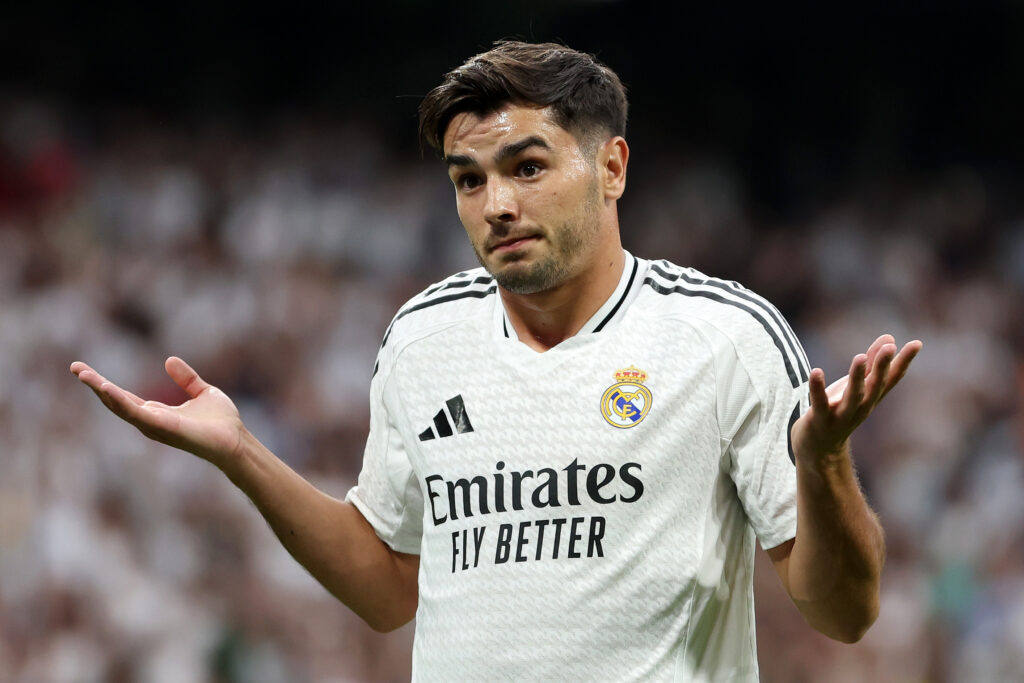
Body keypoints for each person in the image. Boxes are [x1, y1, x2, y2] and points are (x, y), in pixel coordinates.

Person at [71, 41, 922, 681]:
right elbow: (386, 587)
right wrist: (242, 455)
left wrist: (825, 461)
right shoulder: (421, 337)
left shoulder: (721, 334)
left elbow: (844, 612)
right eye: (468, 179)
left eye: (527, 167)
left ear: (612, 166)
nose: (497, 205)